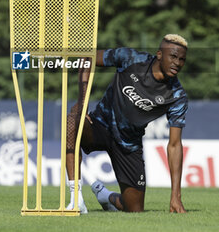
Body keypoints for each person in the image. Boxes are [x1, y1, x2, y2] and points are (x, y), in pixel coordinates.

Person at [66, 34, 188, 214]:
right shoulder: (131, 58)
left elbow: (175, 145)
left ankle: (105, 196)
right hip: (99, 125)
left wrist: (176, 197)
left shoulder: (177, 96)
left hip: (129, 144)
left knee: (134, 209)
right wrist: (83, 101)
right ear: (159, 54)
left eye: (182, 59)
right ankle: (76, 200)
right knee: (72, 120)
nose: (177, 63)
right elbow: (87, 57)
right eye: (173, 56)